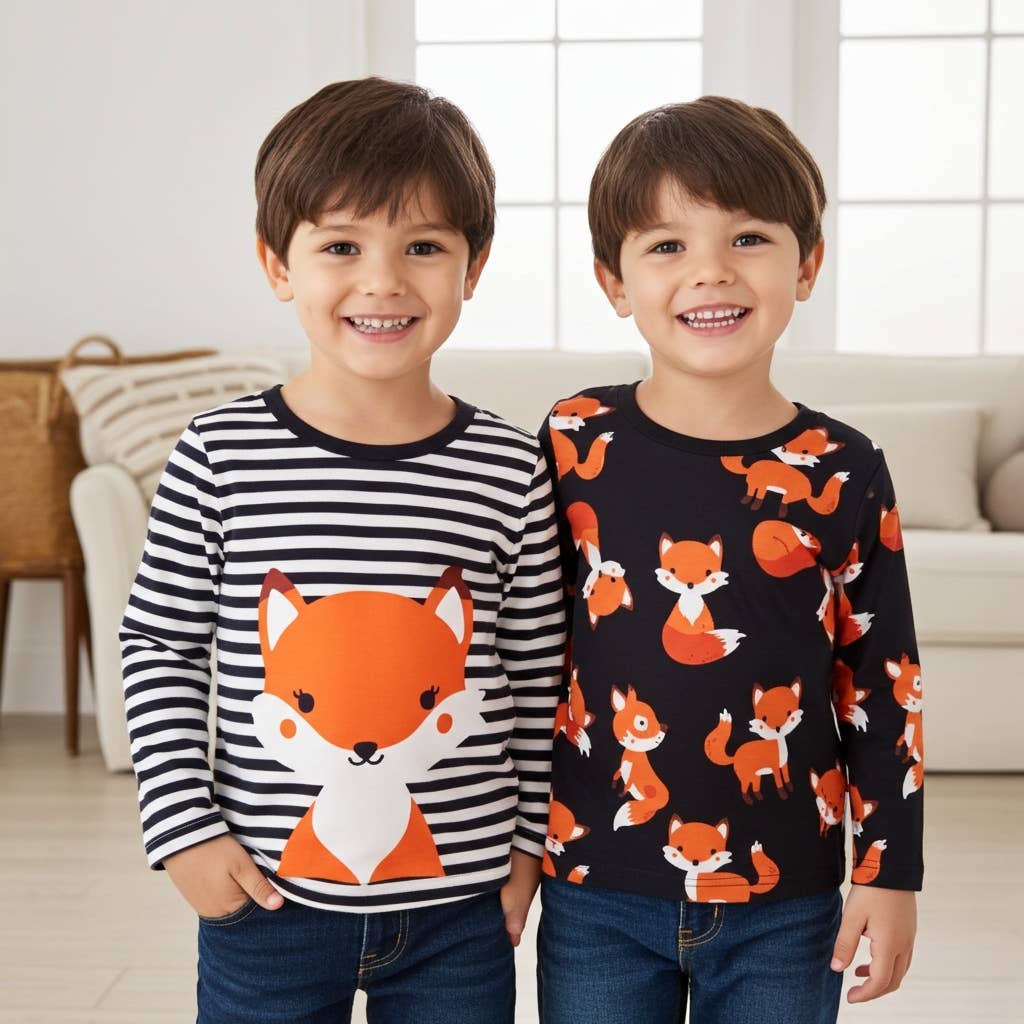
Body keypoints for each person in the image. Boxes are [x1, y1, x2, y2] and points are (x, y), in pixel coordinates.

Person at [119, 76, 565, 1024]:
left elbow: (537, 674)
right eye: (340, 246)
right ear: (277, 263)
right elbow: (159, 646)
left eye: (424, 247)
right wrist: (183, 830)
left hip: (460, 906)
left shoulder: (511, 466)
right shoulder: (219, 455)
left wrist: (530, 844)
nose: (383, 281)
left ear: (474, 266)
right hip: (265, 899)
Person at [536, 95, 922, 1024]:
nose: (710, 271)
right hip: (595, 883)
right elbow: (524, 653)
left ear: (807, 265)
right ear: (614, 282)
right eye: (666, 245)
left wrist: (890, 871)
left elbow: (884, 683)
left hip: (786, 898)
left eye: (748, 238)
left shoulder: (843, 467)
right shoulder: (573, 440)